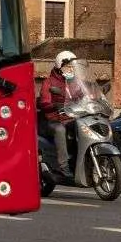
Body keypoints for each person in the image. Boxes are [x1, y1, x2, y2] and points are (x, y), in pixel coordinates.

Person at [37, 50, 83, 178]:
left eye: (73, 66)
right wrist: (54, 105)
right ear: (59, 66)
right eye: (68, 66)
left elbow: (83, 95)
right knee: (60, 130)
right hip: (53, 119)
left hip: (70, 117)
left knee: (83, 126)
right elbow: (44, 101)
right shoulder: (49, 82)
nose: (71, 69)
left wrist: (95, 96)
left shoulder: (75, 82)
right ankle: (63, 166)